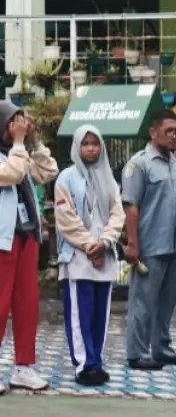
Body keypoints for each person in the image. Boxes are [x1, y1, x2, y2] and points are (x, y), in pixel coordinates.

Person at [122, 109, 176, 371]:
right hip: (150, 245)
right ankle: (137, 352)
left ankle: (161, 347)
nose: (175, 135)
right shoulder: (138, 164)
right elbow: (131, 206)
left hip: (174, 245)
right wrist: (132, 243)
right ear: (153, 132)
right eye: (169, 131)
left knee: (167, 300)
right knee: (142, 301)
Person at [54, 125, 124, 386]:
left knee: (100, 313)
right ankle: (84, 364)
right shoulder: (66, 178)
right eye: (86, 144)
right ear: (77, 147)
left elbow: (118, 214)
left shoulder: (110, 179)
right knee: (80, 313)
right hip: (78, 256)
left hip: (104, 253)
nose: (91, 148)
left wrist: (105, 242)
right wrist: (89, 245)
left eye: (95, 143)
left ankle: (97, 360)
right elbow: (65, 219)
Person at [0, 101, 58, 392]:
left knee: (26, 304)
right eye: (12, 122)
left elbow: (47, 172)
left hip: (26, 236)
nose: (17, 127)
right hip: (2, 241)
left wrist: (33, 141)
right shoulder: (11, 156)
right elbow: (11, 173)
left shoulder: (19, 152)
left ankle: (23, 367)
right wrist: (20, 143)